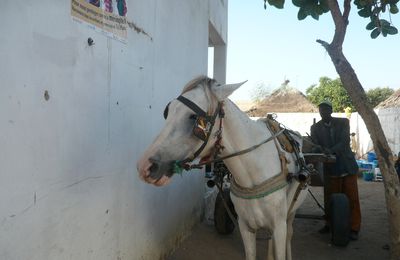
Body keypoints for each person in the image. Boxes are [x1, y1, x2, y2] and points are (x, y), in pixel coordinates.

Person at [311, 100, 361, 241]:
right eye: (321, 111)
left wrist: (330, 150)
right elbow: (315, 143)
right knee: (330, 199)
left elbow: (344, 142)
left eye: (326, 110)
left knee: (352, 199)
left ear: (331, 111)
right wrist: (317, 148)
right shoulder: (315, 128)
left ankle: (354, 228)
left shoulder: (343, 122)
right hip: (330, 168)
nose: (323, 113)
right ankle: (329, 224)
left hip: (347, 166)